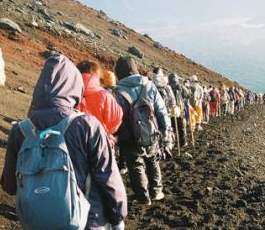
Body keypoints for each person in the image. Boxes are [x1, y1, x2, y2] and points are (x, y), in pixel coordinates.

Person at [0, 54, 127, 230]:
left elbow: (9, 185)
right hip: (86, 220)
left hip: (36, 221)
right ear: (74, 85)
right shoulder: (87, 125)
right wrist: (118, 217)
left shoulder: (20, 130)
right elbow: (108, 177)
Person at [113, 57, 173, 205]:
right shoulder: (149, 85)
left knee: (135, 165)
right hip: (151, 132)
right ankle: (157, 191)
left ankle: (142, 196)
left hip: (129, 135)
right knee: (153, 160)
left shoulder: (117, 91)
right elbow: (161, 110)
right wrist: (166, 131)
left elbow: (116, 117)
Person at [77, 61, 123, 147]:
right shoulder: (107, 96)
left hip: (70, 146)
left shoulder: (66, 92)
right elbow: (115, 121)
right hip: (101, 146)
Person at [168, 73, 188, 147]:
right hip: (179, 110)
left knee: (171, 126)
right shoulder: (181, 87)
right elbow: (188, 95)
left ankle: (171, 142)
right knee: (182, 127)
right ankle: (183, 142)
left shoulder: (167, 87)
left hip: (169, 110)